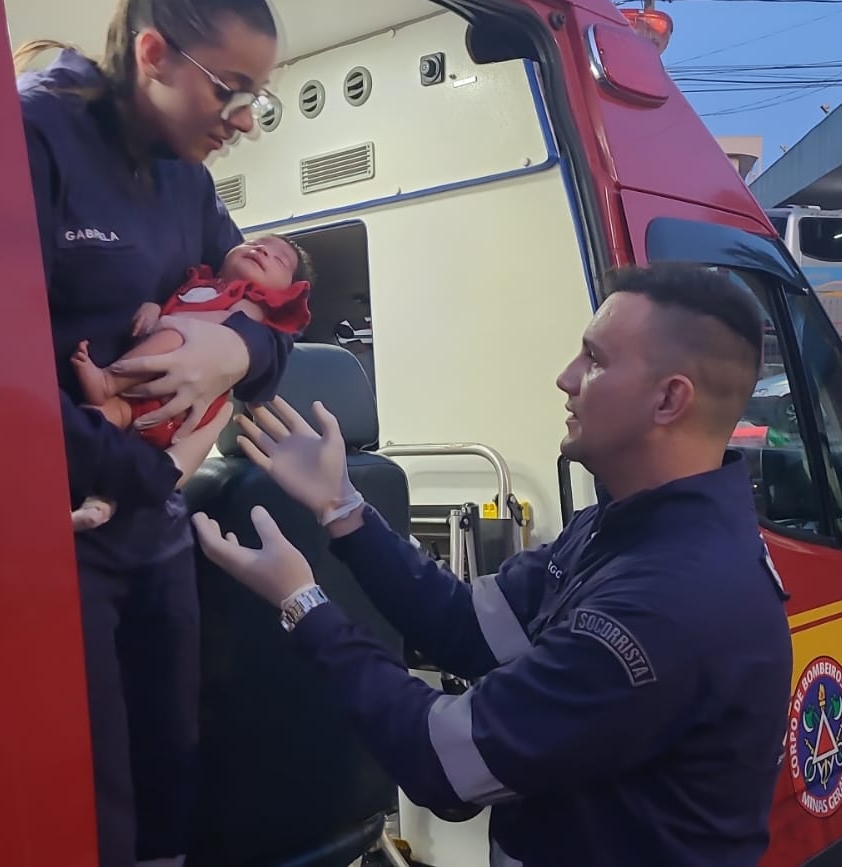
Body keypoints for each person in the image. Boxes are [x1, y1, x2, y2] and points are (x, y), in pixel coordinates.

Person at [193, 263, 795, 867]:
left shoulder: (669, 602)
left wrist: (304, 603)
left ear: (669, 399)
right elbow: (468, 628)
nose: (566, 378)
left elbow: (444, 760)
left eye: (595, 360)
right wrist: (342, 507)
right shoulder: (623, 530)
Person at [13, 0, 289, 865]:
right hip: (57, 532)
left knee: (171, 764)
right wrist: (147, 464)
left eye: (259, 96)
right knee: (94, 792)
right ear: (152, 52)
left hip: (153, 527)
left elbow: (271, 305)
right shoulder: (30, 135)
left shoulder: (188, 181)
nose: (244, 118)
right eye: (233, 89)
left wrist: (239, 352)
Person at [70, 233, 313, 529]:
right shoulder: (198, 284)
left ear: (287, 292)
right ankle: (99, 503)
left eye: (279, 260)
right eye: (254, 244)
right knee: (100, 425)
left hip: (184, 403)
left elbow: (233, 331)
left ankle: (108, 380)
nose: (262, 251)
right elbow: (172, 306)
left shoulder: (251, 303)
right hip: (142, 399)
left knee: (175, 334)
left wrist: (180, 327)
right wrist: (154, 310)